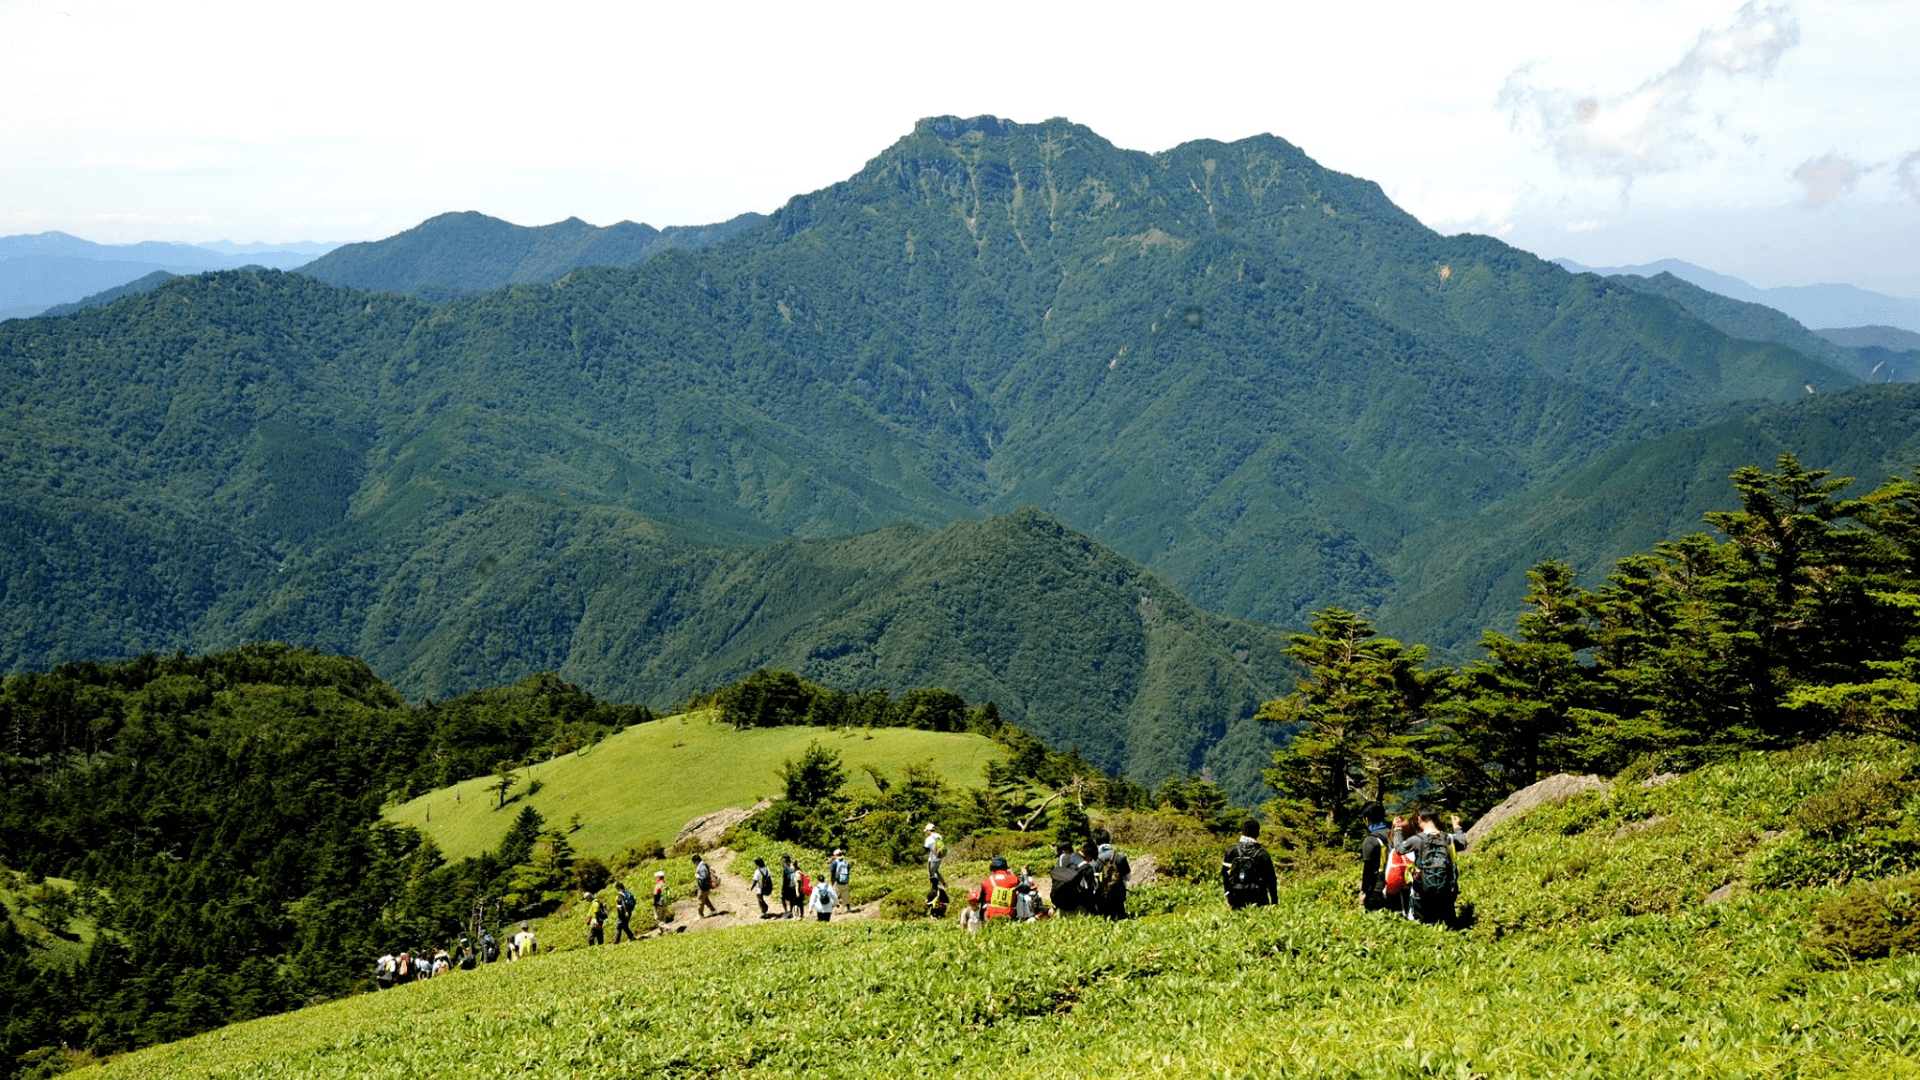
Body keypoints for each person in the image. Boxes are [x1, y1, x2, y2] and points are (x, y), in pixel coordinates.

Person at [1394, 806, 1469, 926]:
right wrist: (1457, 827)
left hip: (1423, 889)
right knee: (1449, 923)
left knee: (1425, 924)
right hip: (1446, 888)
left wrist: (1398, 829)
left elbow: (1398, 849)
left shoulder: (1416, 840)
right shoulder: (1448, 838)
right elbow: (1462, 844)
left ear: (1419, 818)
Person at [1221, 818, 1278, 909]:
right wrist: (1274, 901)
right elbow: (1271, 879)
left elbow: (1224, 874)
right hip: (1258, 898)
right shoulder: (1262, 854)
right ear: (1257, 834)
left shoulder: (1232, 851)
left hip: (1236, 897)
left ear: (1242, 832)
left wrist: (1228, 893)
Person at [1356, 805, 1397, 913]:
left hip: (1377, 889)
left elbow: (1368, 869)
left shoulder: (1371, 840)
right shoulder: (1394, 835)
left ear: (1366, 819)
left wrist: (1364, 891)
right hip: (1398, 885)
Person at [1090, 827, 1133, 919]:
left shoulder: (1094, 860)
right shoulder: (1120, 856)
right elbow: (1128, 877)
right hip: (1118, 896)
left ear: (1095, 841)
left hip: (1102, 899)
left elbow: (1093, 884)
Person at [969, 855, 1021, 923]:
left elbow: (982, 900)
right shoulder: (1015, 879)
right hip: (1010, 914)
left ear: (992, 868)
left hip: (991, 915)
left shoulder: (986, 881)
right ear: (1005, 868)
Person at [692, 854, 719, 919]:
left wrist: (697, 876)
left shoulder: (701, 866)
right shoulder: (705, 864)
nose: (694, 864)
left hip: (702, 887)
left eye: (694, 862)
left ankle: (701, 915)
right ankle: (713, 910)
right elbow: (712, 870)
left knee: (700, 901)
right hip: (707, 886)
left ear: (696, 861)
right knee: (706, 899)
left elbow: (703, 877)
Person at [828, 848, 853, 913]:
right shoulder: (846, 862)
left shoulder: (834, 863)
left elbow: (832, 874)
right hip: (845, 883)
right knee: (846, 898)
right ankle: (849, 909)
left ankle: (829, 910)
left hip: (837, 883)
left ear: (835, 855)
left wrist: (832, 882)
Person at [924, 823, 946, 889]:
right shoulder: (939, 836)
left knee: (932, 874)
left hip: (933, 858)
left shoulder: (929, 839)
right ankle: (943, 882)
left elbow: (926, 848)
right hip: (940, 857)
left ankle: (935, 887)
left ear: (929, 831)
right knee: (935, 870)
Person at [780, 855, 802, 919]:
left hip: (787, 885)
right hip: (790, 885)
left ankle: (787, 911)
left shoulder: (786, 867)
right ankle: (790, 911)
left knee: (784, 898)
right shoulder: (790, 866)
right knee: (790, 899)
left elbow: (789, 874)